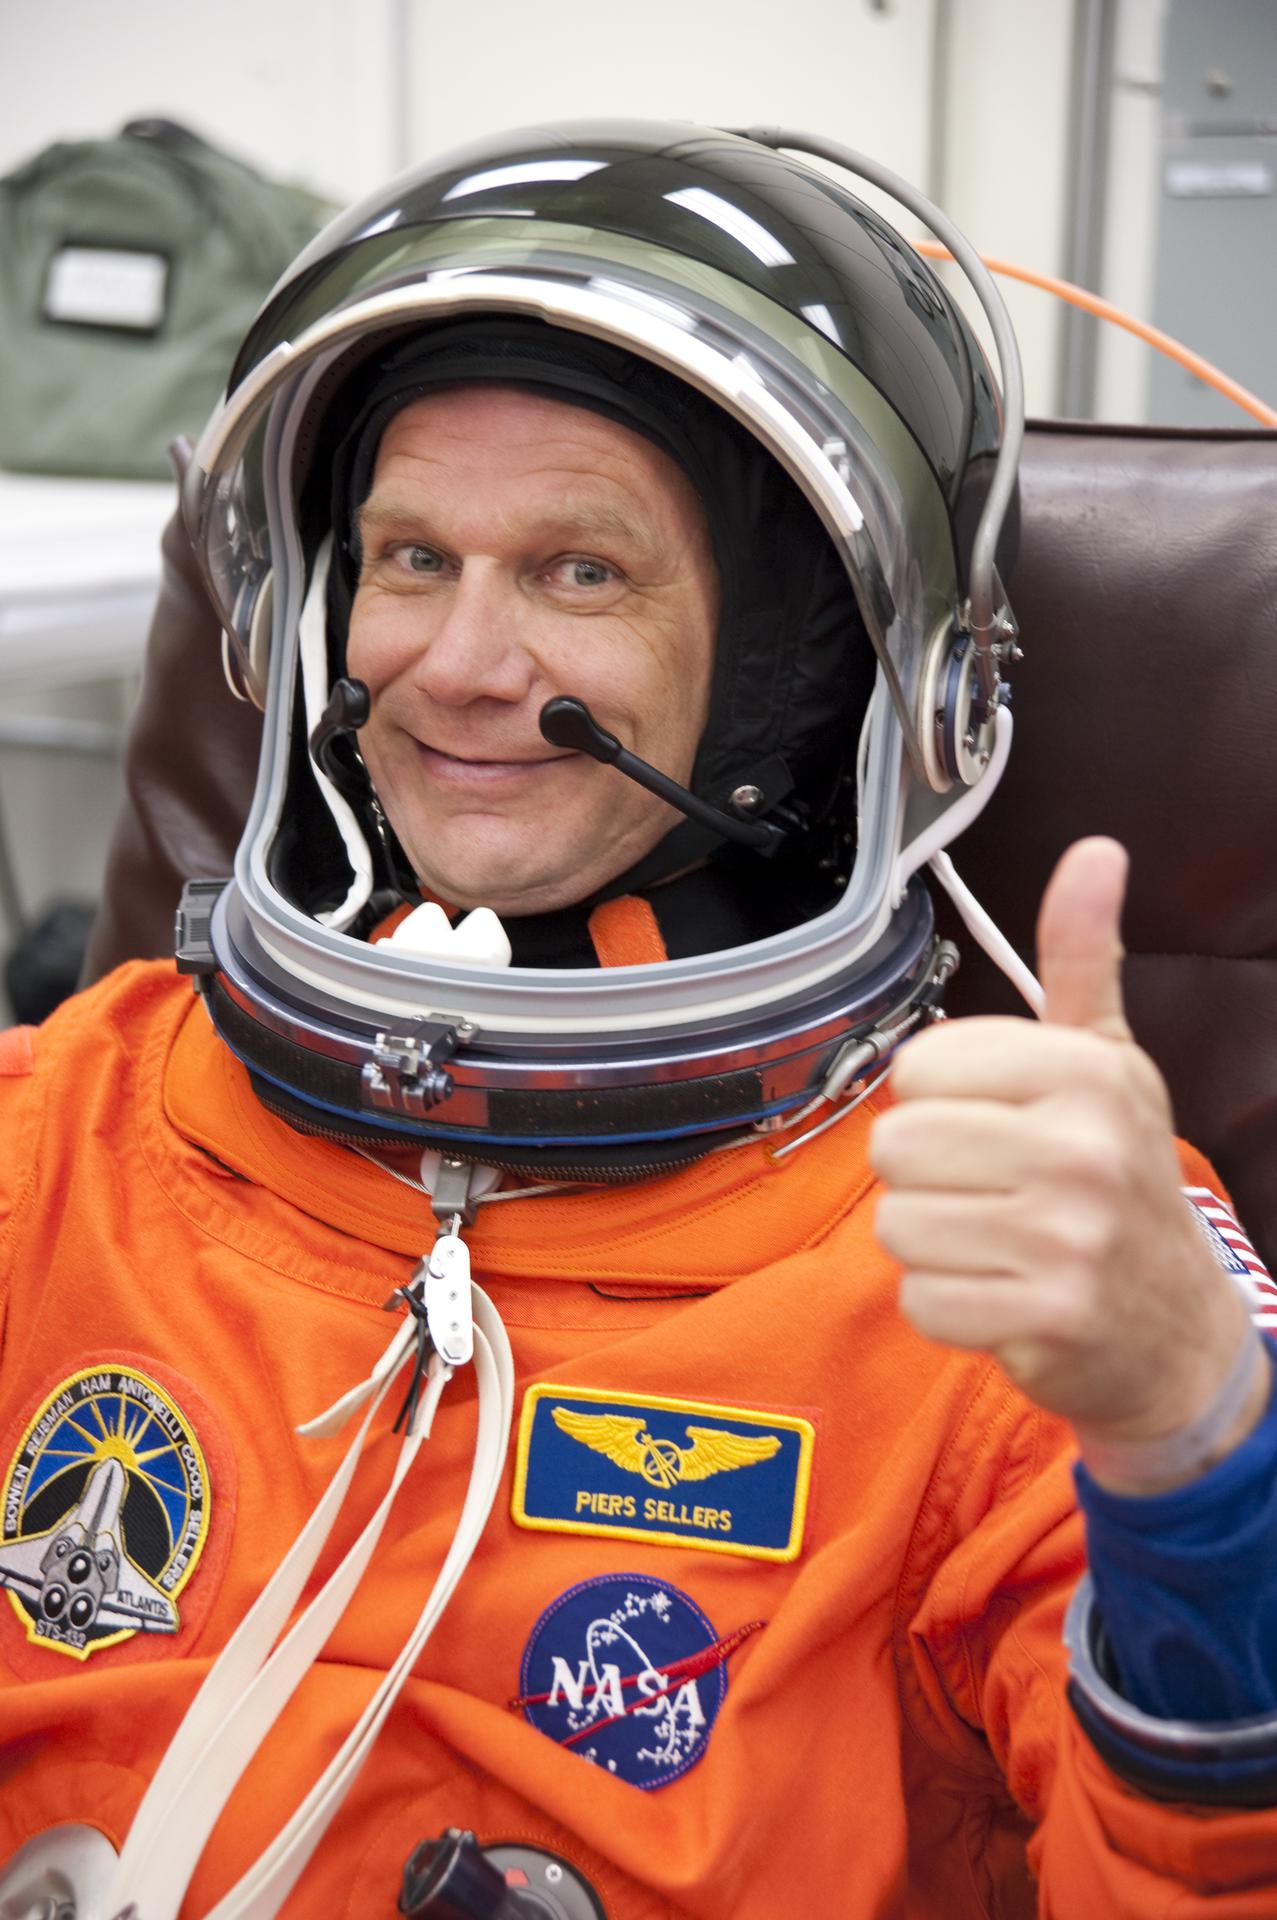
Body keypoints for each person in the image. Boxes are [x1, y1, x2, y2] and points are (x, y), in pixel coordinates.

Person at [0, 120, 1275, 1920]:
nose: (456, 667)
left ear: (798, 666)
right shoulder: (70, 1130)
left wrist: (1188, 1449)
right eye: (409, 556)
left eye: (578, 572)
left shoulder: (1022, 1257)